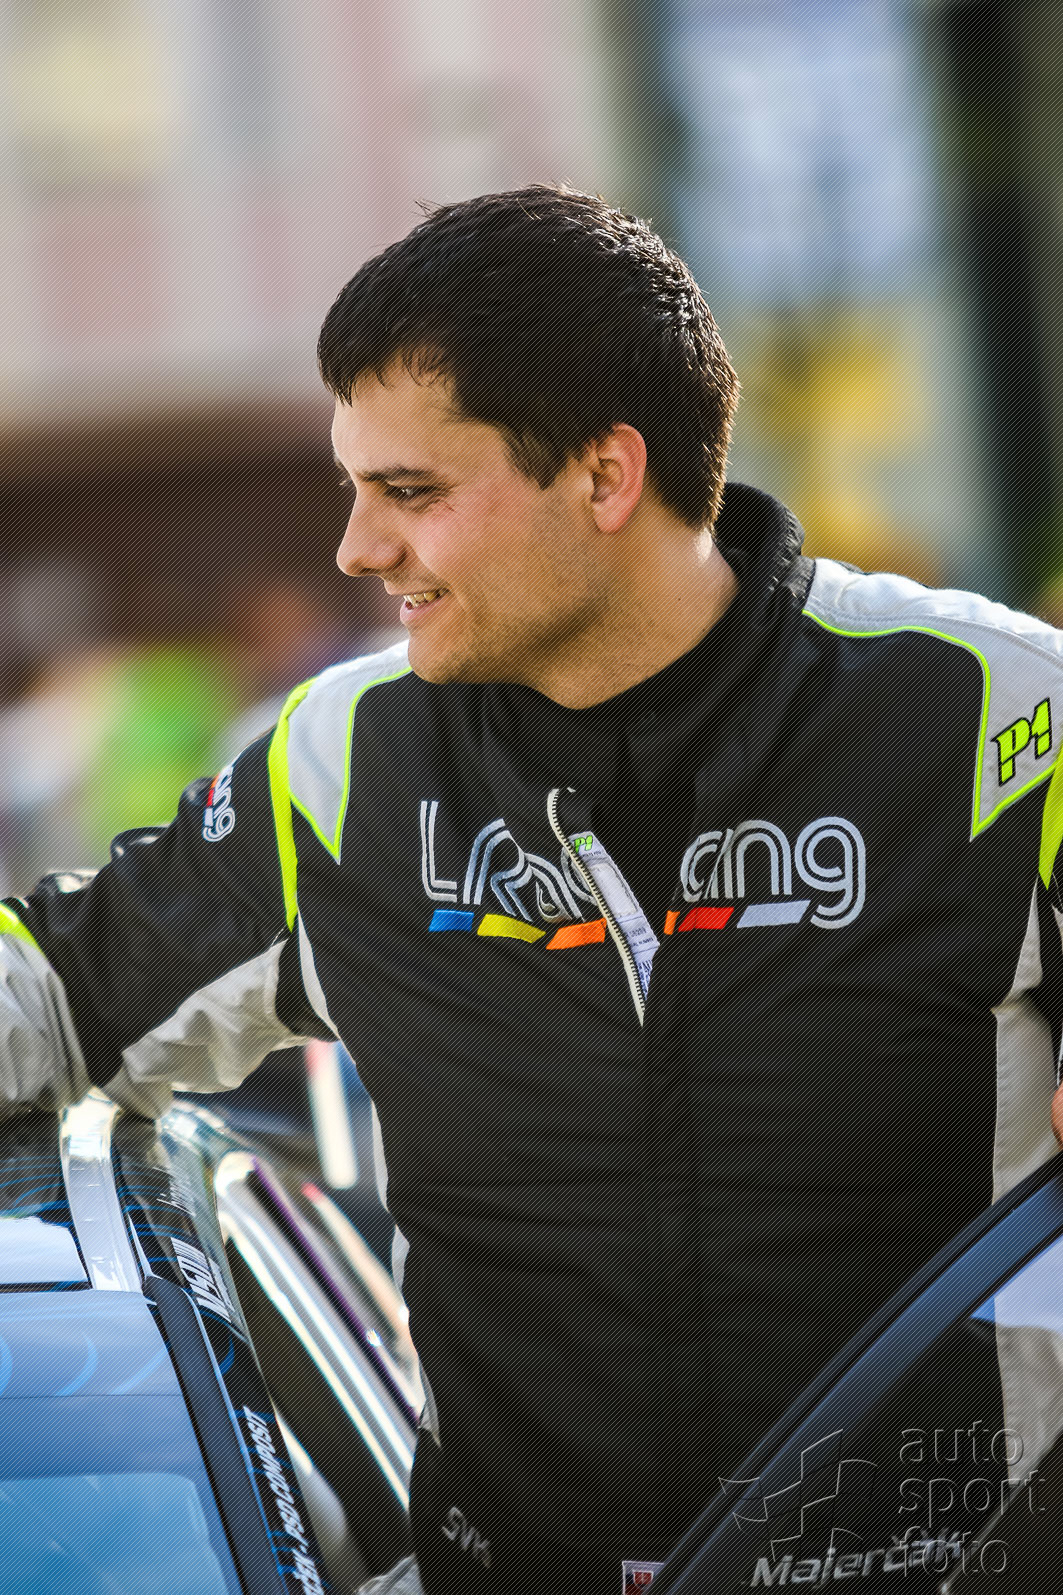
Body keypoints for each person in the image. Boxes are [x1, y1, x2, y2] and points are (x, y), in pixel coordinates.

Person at [3, 184, 1063, 1594]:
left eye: (412, 493)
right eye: (355, 489)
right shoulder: (347, 763)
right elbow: (53, 992)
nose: (356, 549)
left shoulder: (1000, 714)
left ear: (606, 476)